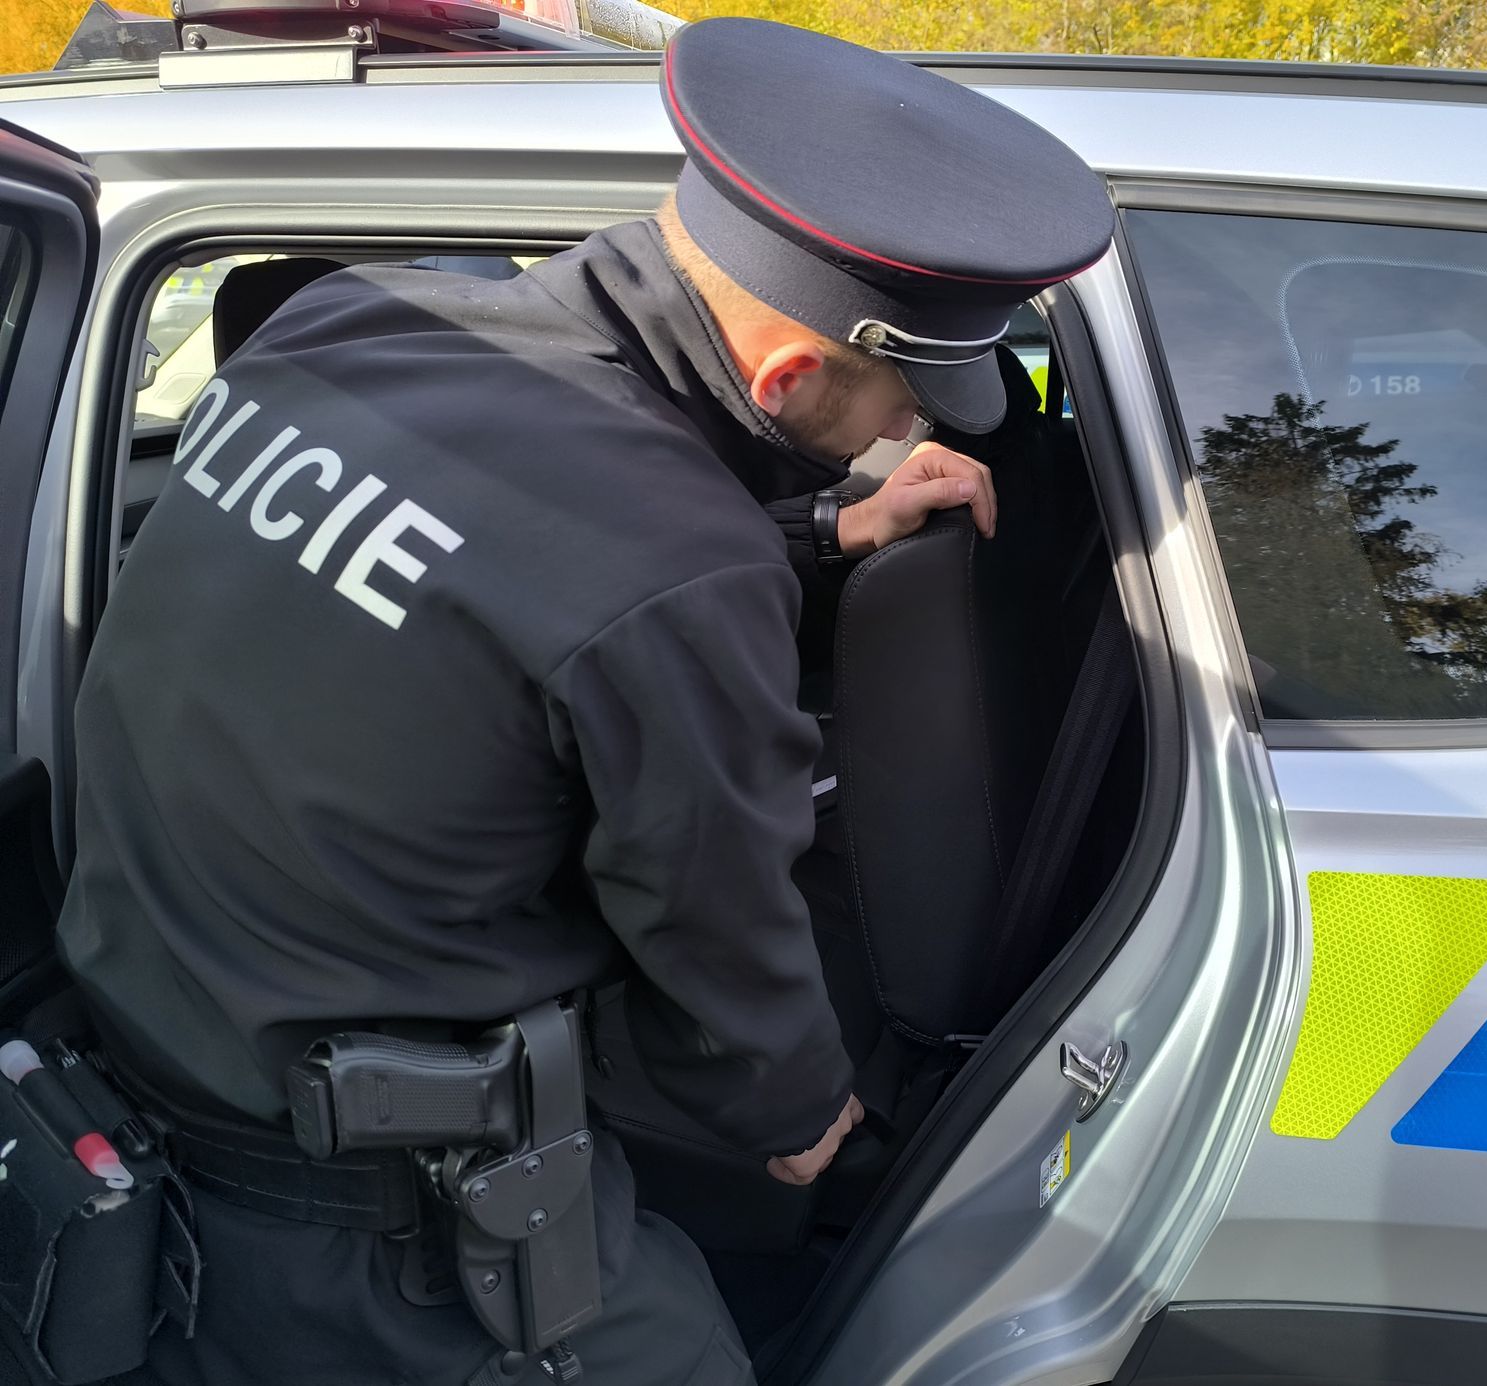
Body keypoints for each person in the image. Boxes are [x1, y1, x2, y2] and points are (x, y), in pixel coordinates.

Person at [53, 16, 1114, 1386]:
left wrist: (817, 533)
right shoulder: (678, 570)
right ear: (788, 375)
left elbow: (507, 573)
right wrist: (798, 1103)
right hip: (365, 1215)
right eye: (900, 403)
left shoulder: (346, 317)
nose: (904, 436)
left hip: (125, 1043)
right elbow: (713, 912)